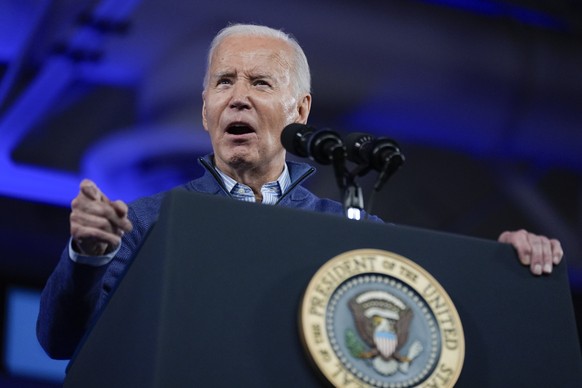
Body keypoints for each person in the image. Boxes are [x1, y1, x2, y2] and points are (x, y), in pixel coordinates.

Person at [36, 23, 563, 360]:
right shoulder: (150, 222)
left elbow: (435, 326)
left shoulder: (353, 231)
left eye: (260, 84)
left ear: (302, 111)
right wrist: (86, 259)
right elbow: (59, 343)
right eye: (224, 83)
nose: (238, 99)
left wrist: (509, 268)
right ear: (203, 110)